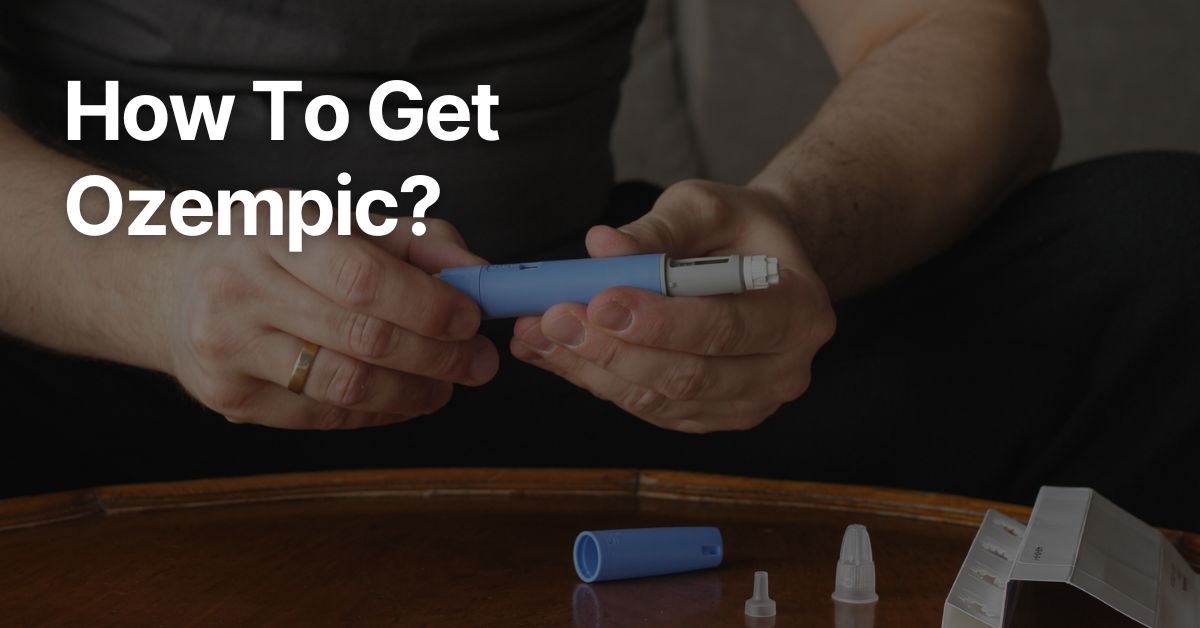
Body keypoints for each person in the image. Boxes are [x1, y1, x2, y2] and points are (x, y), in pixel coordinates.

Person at [1, 0, 1197, 528]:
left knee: (1162, 251)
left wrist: (798, 225)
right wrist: (153, 279)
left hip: (586, 360)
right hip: (108, 359)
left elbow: (955, 28)